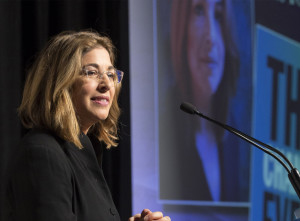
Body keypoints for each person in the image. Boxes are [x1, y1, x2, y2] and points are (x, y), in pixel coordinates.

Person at [6, 30, 170, 221]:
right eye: (92, 72)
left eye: (110, 74)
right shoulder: (43, 153)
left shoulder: (83, 151)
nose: (106, 85)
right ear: (60, 82)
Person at [159, 0, 250, 202]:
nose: (211, 37)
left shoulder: (233, 134)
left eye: (218, 16)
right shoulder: (161, 131)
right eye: (198, 11)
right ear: (181, 29)